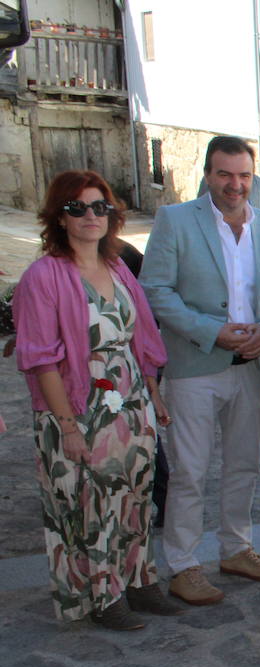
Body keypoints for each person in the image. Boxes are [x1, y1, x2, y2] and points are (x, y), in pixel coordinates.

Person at [11, 170, 179, 628]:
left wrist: (154, 392)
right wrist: (67, 426)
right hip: (77, 405)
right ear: (59, 217)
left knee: (137, 495)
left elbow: (141, 335)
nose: (91, 216)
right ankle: (105, 596)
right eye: (77, 208)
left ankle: (141, 581)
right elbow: (41, 359)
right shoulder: (42, 277)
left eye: (99, 206)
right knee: (92, 502)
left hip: (129, 399)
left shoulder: (119, 266)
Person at [141, 135, 260, 607]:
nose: (235, 185)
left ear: (254, 177)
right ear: (208, 174)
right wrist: (213, 332)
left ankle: (235, 548)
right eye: (225, 174)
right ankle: (184, 565)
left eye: (244, 175)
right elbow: (156, 291)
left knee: (244, 465)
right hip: (195, 365)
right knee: (189, 470)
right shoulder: (175, 220)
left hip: (251, 365)